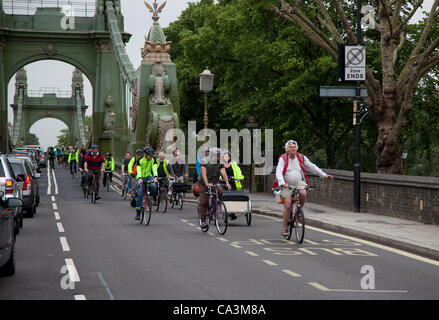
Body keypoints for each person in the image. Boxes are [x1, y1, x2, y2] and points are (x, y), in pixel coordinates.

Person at [276, 140, 333, 237]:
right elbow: (278, 172)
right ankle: (285, 229)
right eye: (290, 147)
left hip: (299, 182)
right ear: (287, 149)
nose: (293, 148)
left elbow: (312, 167)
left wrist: (323, 175)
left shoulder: (301, 157)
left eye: (294, 147)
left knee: (303, 193)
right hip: (287, 185)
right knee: (288, 205)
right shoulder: (283, 158)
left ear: (297, 148)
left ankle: (298, 211)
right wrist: (282, 183)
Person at [198, 148, 231, 231]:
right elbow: (204, 174)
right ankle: (203, 221)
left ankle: (216, 204)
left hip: (214, 181)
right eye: (219, 156)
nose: (220, 157)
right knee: (203, 201)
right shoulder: (204, 161)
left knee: (220, 190)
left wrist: (227, 183)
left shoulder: (220, 163)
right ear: (213, 156)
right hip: (203, 182)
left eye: (220, 155)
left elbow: (223, 173)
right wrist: (206, 184)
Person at [135, 146, 158, 220]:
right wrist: (139, 178)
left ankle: (150, 198)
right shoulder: (140, 160)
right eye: (149, 155)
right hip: (141, 177)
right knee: (139, 195)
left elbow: (154, 168)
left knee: (154, 186)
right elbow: (138, 170)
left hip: (149, 176)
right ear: (145, 154)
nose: (151, 157)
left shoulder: (153, 160)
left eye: (152, 155)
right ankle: (138, 212)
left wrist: (155, 177)